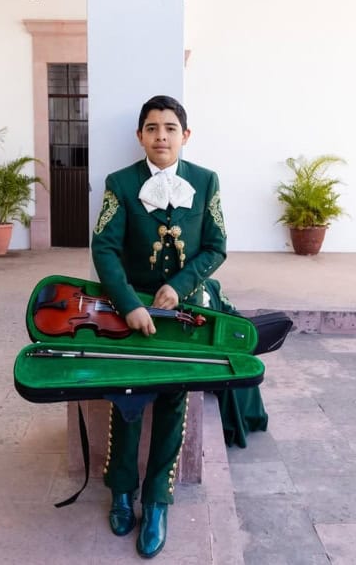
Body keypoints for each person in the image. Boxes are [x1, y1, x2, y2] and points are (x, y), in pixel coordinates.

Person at [91, 95, 229, 558]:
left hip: (184, 312)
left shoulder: (206, 182)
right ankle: (122, 490)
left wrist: (184, 282)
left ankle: (157, 502)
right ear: (140, 136)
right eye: (152, 128)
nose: (161, 136)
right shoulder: (120, 183)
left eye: (170, 128)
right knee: (127, 396)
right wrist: (129, 303)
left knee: (173, 400)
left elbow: (216, 246)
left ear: (185, 136)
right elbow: (104, 249)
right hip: (129, 313)